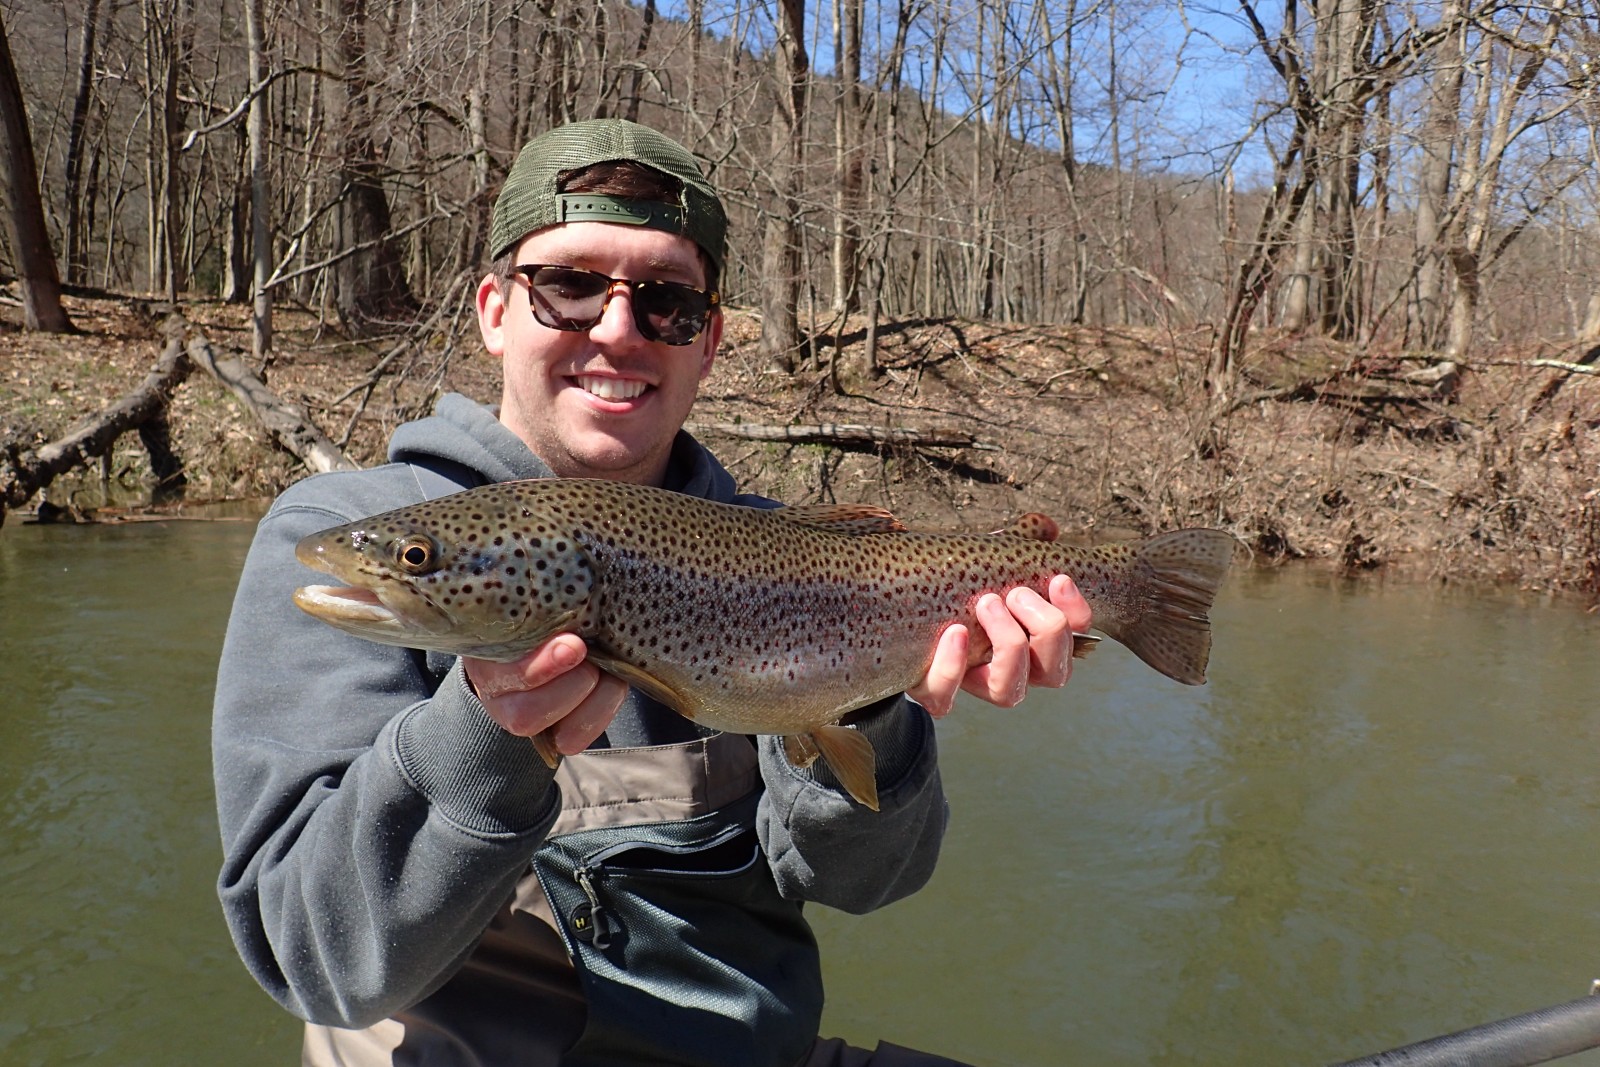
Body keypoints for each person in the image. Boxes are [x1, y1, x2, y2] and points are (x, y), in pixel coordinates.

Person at [212, 118, 1091, 1067]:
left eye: (667, 301)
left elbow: (869, 881)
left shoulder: (781, 551)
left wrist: (874, 701)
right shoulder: (346, 523)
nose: (618, 330)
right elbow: (321, 962)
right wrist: (483, 734)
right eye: (570, 286)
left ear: (708, 341)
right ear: (494, 310)